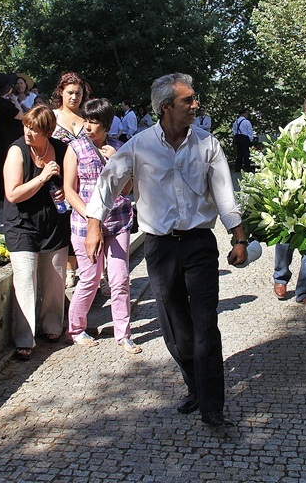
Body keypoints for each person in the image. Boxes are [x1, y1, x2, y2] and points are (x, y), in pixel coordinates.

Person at [85, 73, 248, 427]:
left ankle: (212, 405)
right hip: (160, 248)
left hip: (199, 244)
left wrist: (238, 237)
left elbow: (224, 194)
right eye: (187, 101)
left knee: (206, 324)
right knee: (175, 327)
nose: (195, 105)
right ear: (165, 108)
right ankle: (194, 385)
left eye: (194, 99)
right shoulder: (140, 145)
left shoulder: (208, 145)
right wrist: (94, 226)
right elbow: (108, 182)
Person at [63, 99, 139, 353]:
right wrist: (90, 216)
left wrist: (117, 161)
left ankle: (123, 334)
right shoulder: (75, 148)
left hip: (118, 222)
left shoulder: (120, 148)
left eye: (93, 122)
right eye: (85, 120)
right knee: (90, 278)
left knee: (120, 279)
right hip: (85, 225)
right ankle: (75, 329)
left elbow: (127, 190)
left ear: (106, 124)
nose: (87, 126)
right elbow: (69, 190)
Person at [3, 105, 70, 361]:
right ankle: (25, 338)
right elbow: (13, 194)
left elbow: (72, 180)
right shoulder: (17, 150)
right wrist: (42, 178)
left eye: (35, 129)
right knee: (25, 281)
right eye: (26, 126)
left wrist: (65, 190)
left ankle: (52, 327)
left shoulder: (61, 150)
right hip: (22, 225)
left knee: (55, 280)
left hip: (53, 224)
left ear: (48, 131)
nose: (28, 132)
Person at [273, 91, 306, 309]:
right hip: (292, 192)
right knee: (285, 241)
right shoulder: (292, 129)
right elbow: (278, 160)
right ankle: (280, 276)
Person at [52, 72, 92, 288]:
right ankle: (69, 270)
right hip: (59, 178)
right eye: (70, 92)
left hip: (86, 180)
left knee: (86, 225)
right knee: (65, 226)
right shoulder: (53, 116)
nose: (74, 97)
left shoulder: (88, 118)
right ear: (61, 92)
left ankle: (95, 270)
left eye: (78, 93)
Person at [0, 73, 24, 201]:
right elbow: (20, 115)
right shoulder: (4, 103)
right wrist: (15, 100)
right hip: (7, 139)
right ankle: (2, 193)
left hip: (0, 138)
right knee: (7, 164)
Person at [232, 108, 254, 172]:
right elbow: (249, 132)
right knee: (246, 153)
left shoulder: (235, 122)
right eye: (246, 113)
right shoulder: (246, 122)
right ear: (243, 114)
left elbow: (234, 132)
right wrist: (250, 140)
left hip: (238, 138)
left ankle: (238, 168)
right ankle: (247, 168)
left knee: (239, 154)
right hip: (245, 138)